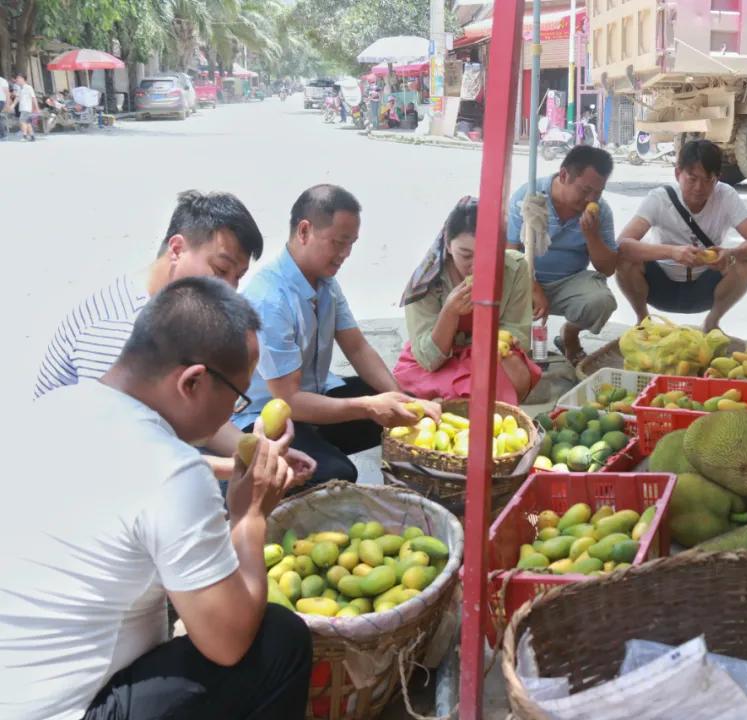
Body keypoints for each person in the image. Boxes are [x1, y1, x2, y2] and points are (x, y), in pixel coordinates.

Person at [0, 277, 312, 720]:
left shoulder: (50, 410)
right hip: (68, 710)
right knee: (280, 639)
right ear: (192, 382)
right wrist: (249, 518)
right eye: (239, 398)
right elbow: (228, 643)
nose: (235, 416)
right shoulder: (172, 470)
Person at [33, 190, 314, 484]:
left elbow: (203, 411)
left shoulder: (178, 309)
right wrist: (239, 468)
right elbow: (122, 453)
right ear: (177, 249)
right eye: (220, 270)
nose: (229, 289)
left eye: (238, 277)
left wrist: (258, 452)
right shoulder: (119, 328)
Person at [236, 184, 439, 486]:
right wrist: (369, 406)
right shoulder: (270, 298)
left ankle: (321, 445)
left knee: (402, 413)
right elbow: (289, 400)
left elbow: (357, 348)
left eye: (352, 244)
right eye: (339, 242)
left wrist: (399, 399)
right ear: (304, 231)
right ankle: (304, 459)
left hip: (316, 397)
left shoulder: (326, 283)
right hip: (267, 418)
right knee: (339, 473)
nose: (345, 254)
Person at [395, 197, 541, 404]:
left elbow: (518, 331)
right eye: (465, 255)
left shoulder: (515, 268)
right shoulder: (425, 283)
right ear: (447, 244)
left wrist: (501, 341)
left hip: (489, 350)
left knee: (517, 375)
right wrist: (449, 313)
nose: (477, 266)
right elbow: (428, 360)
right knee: (452, 400)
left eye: (488, 255)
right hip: (440, 358)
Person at [615, 139, 747, 331]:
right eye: (692, 179)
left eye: (708, 180)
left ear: (717, 178)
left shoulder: (726, 196)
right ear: (678, 173)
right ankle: (642, 320)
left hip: (705, 289)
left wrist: (730, 253)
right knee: (624, 260)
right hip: (660, 287)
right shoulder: (659, 198)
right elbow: (622, 244)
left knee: (746, 262)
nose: (699, 188)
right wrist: (672, 252)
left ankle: (712, 322)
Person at [507, 146, 619, 365]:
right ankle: (515, 348)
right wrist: (531, 286)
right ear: (564, 175)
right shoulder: (530, 196)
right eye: (585, 190)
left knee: (601, 301)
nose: (591, 199)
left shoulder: (601, 211)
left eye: (598, 192)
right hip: (526, 276)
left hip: (570, 281)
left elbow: (607, 268)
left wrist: (592, 236)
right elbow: (510, 251)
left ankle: (570, 335)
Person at [15, 73, 37, 141]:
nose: (17, 80)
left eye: (18, 78)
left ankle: (24, 136)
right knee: (27, 122)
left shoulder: (28, 87)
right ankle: (32, 136)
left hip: (27, 108)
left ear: (23, 79)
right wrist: (13, 105)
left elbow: (33, 97)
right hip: (22, 108)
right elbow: (17, 98)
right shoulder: (19, 88)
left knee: (22, 121)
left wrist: (36, 107)